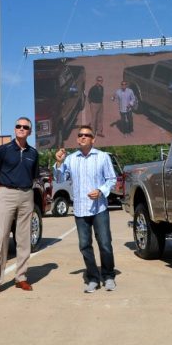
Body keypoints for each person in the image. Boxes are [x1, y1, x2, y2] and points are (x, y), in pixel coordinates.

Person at [53, 124, 118, 293]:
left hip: (99, 208)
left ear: (93, 139)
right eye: (80, 135)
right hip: (80, 209)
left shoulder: (102, 157)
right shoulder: (71, 159)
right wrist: (59, 163)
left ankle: (109, 275)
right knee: (84, 245)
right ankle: (93, 278)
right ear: (77, 139)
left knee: (104, 243)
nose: (83, 137)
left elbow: (111, 179)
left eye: (87, 135)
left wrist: (101, 191)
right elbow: (60, 179)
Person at [0, 117, 39, 297]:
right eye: (18, 126)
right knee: (1, 237)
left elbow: (33, 176)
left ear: (30, 132)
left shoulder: (33, 153)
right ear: (15, 129)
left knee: (24, 238)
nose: (21, 129)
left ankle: (21, 277)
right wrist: (1, 191)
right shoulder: (4, 150)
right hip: (6, 194)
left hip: (26, 195)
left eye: (25, 127)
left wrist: (25, 190)